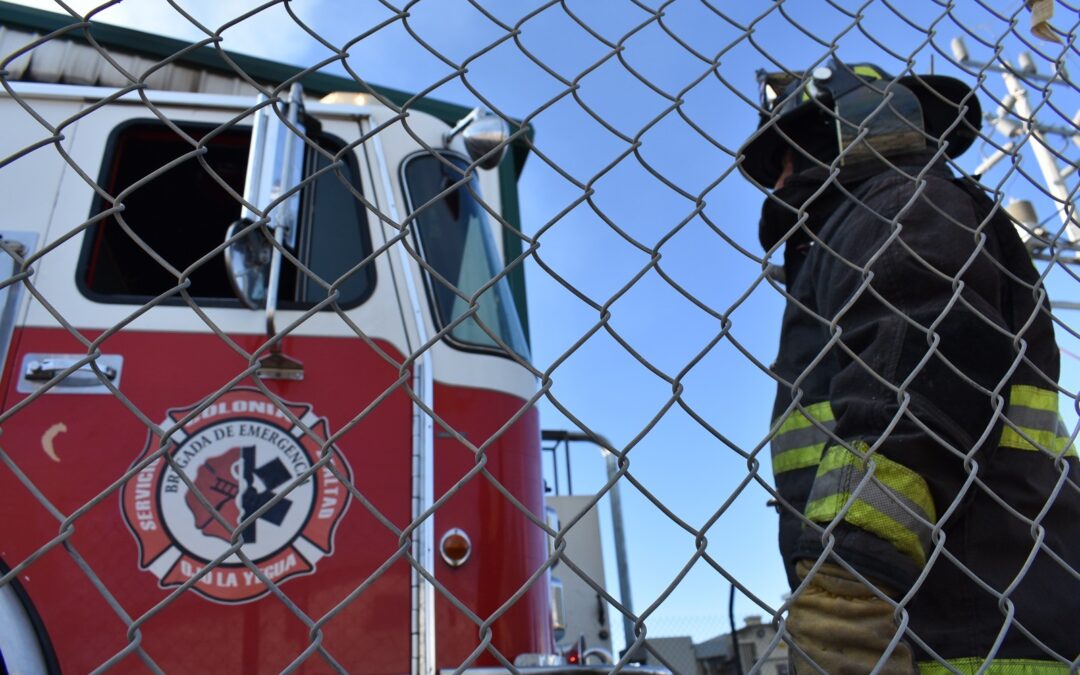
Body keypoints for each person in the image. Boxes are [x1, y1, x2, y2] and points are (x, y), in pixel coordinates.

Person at [738, 59, 1080, 673]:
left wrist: (849, 579)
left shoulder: (899, 204)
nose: (778, 180)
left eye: (784, 156)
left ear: (841, 127)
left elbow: (918, 379)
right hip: (978, 610)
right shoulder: (865, 222)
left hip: (966, 633)